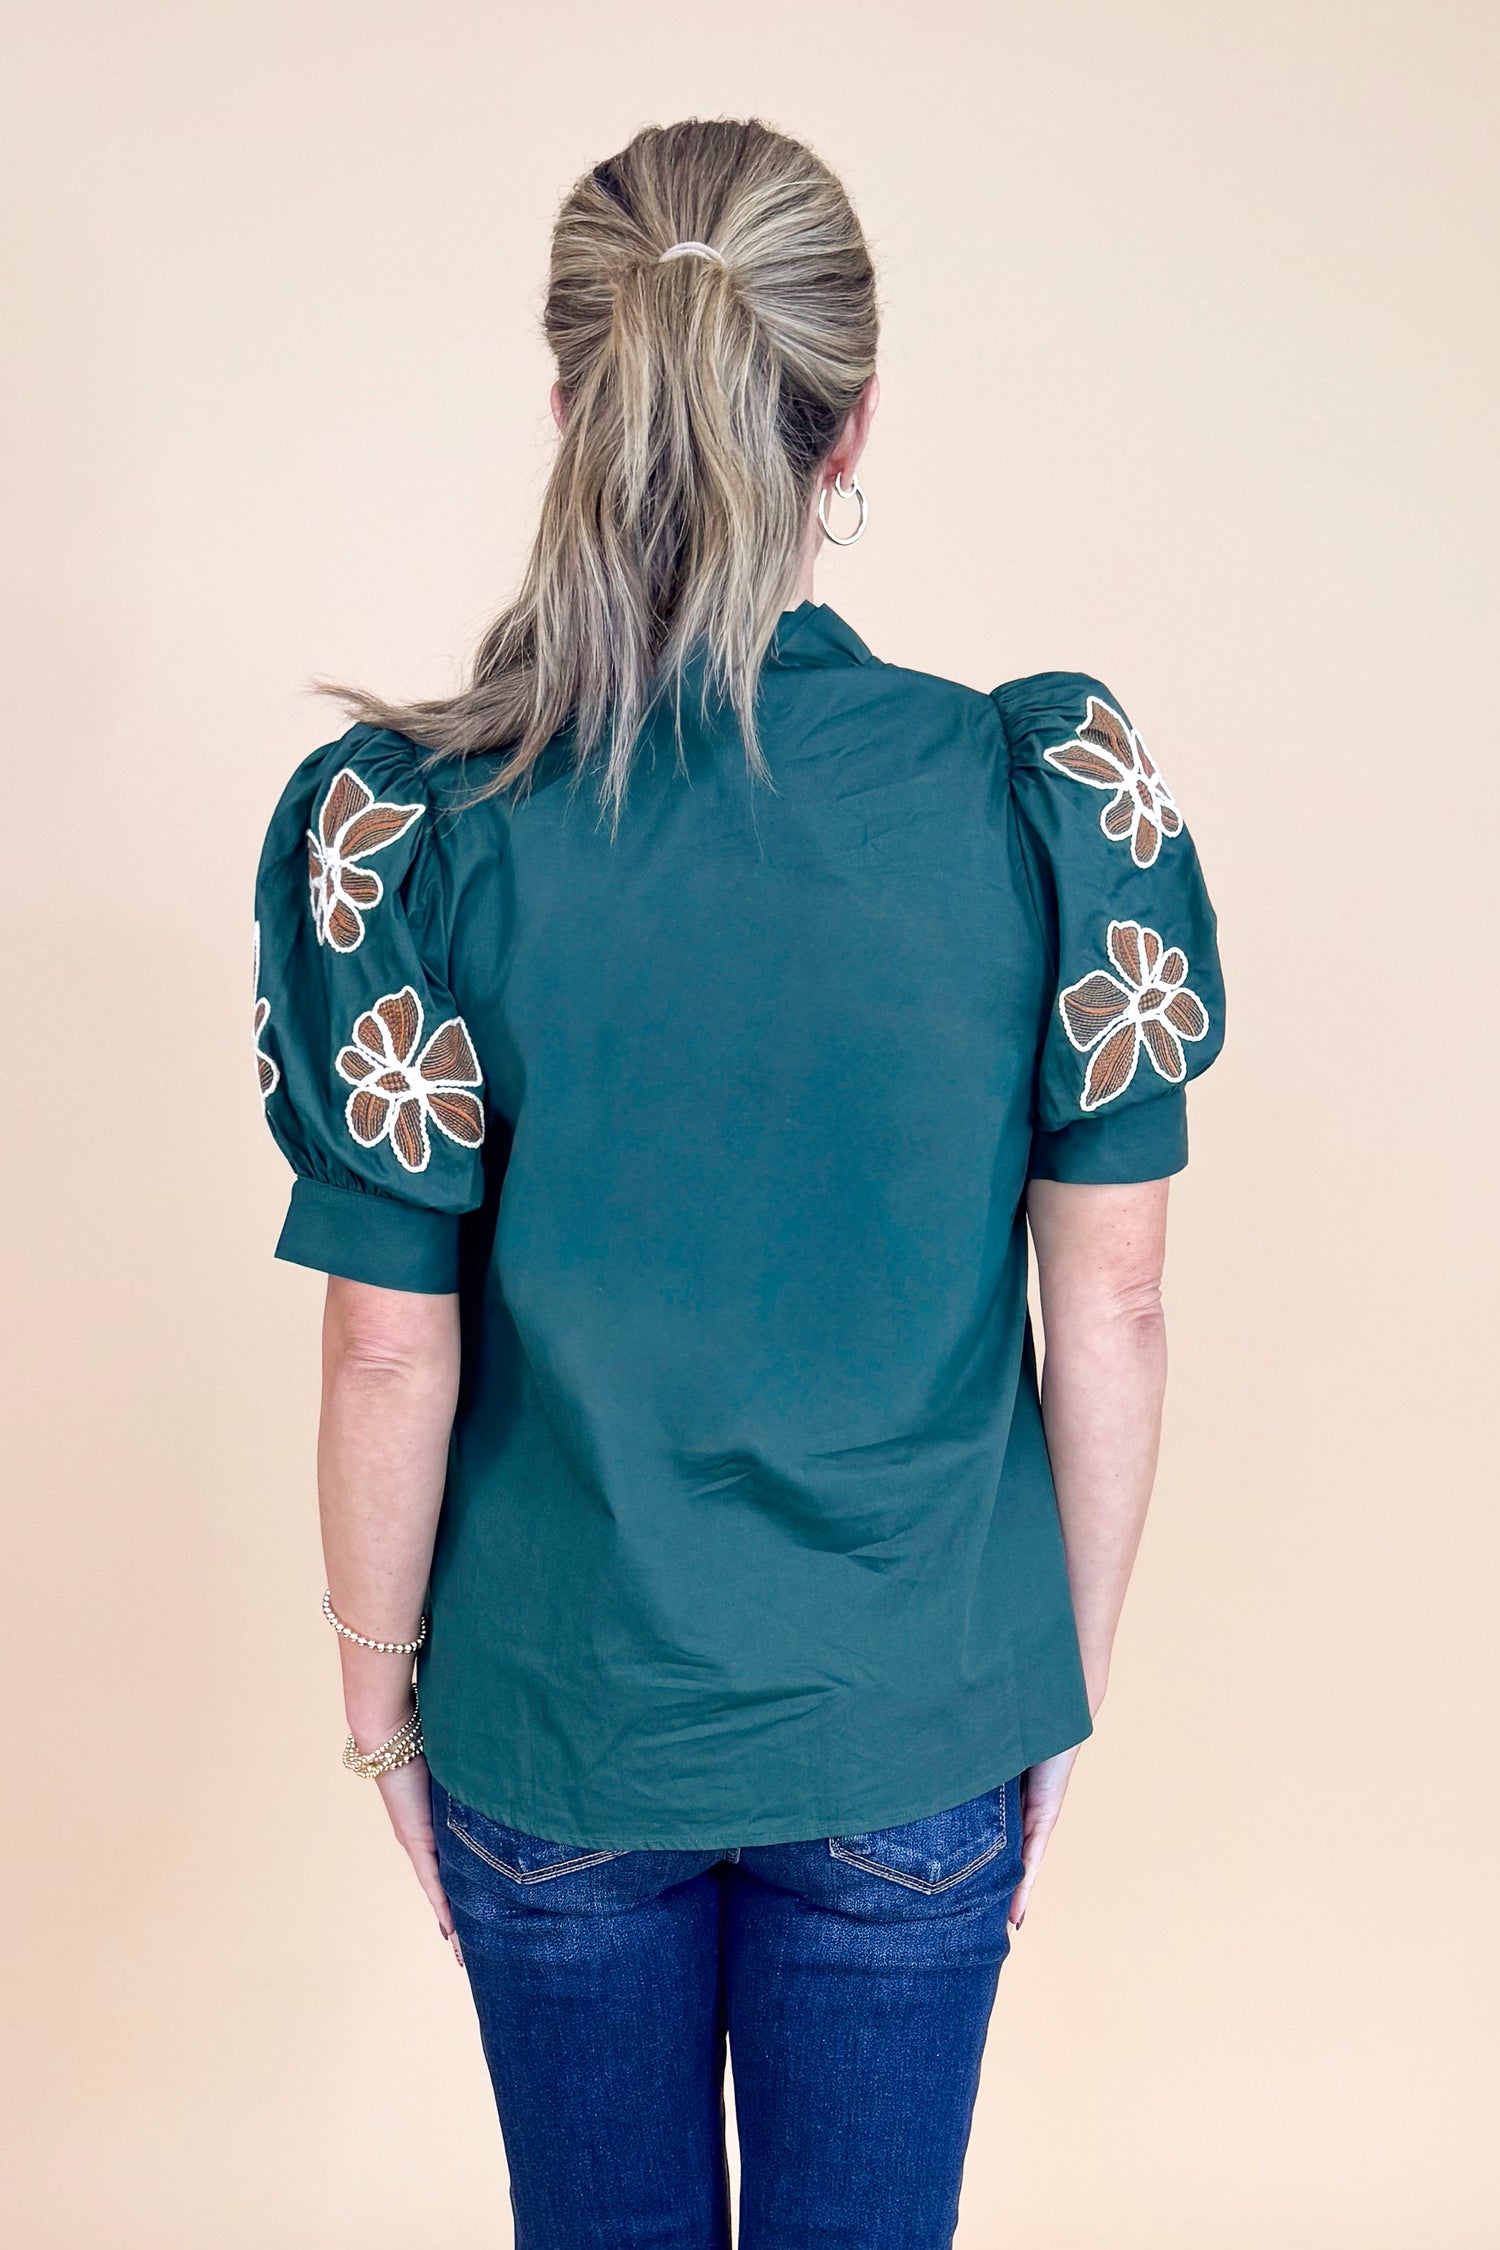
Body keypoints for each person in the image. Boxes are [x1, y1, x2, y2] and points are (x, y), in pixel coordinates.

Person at [252, 116, 1224, 2250]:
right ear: (853, 413)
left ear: (569, 398)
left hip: (554, 1726)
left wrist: (370, 1705)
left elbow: (384, 1345)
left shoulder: (402, 827)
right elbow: (1119, 1308)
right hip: (914, 1717)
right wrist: (1042, 1680)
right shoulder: (1049, 795)